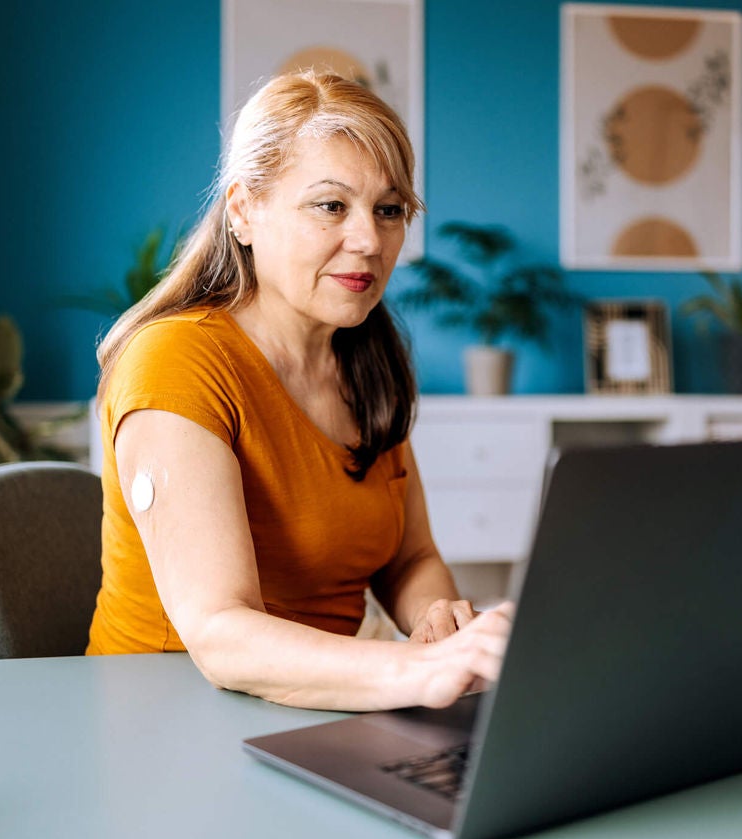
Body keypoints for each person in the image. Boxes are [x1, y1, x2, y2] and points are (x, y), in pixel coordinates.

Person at [85, 71, 512, 712]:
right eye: (330, 206)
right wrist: (418, 671)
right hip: (168, 722)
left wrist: (440, 625)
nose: (369, 240)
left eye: (389, 210)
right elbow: (219, 633)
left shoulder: (368, 357)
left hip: (315, 715)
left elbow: (409, 555)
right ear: (243, 211)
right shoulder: (175, 361)